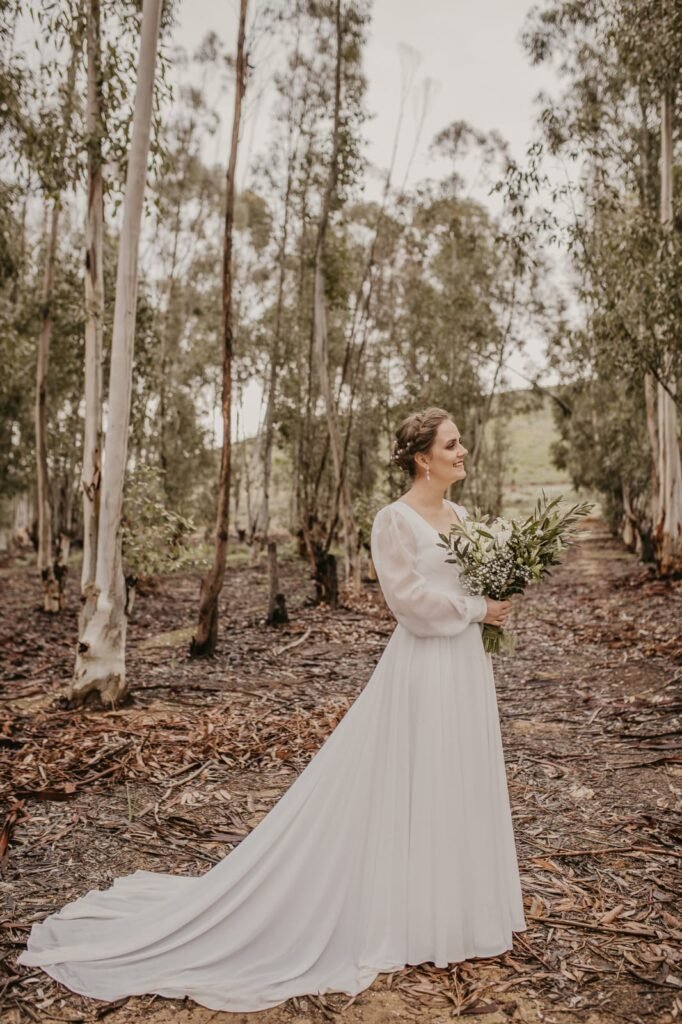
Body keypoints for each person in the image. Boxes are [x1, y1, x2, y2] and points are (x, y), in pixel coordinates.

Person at [17, 406, 527, 1013]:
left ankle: (452, 911)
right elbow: (409, 603)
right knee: (417, 777)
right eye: (452, 444)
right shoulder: (394, 520)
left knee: (456, 777)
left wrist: (496, 595)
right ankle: (407, 917)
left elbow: (468, 582)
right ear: (423, 457)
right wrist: (477, 610)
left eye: (460, 443)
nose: (462, 451)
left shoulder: (464, 518)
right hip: (424, 668)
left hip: (466, 666)